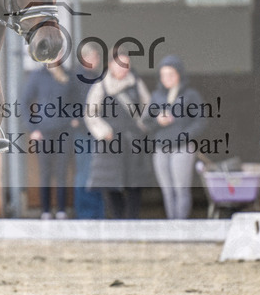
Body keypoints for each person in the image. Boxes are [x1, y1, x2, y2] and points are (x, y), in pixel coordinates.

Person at [83, 49, 152, 219]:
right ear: (111, 65)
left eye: (127, 64)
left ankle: (132, 220)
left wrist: (142, 126)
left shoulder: (136, 83)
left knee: (134, 184)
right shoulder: (101, 85)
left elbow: (148, 106)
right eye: (120, 64)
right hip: (110, 142)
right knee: (111, 183)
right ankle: (118, 220)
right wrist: (103, 131)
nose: (124, 68)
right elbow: (91, 113)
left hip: (133, 142)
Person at [144, 55, 206, 219]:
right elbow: (147, 122)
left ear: (179, 74)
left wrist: (184, 135)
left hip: (182, 147)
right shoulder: (156, 96)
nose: (167, 79)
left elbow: (201, 121)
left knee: (181, 188)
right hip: (161, 148)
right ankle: (172, 224)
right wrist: (159, 120)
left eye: (171, 74)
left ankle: (181, 223)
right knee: (167, 189)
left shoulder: (191, 95)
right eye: (164, 75)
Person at [22, 64, 74, 219]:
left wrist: (73, 119)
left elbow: (76, 99)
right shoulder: (37, 76)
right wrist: (33, 129)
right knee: (45, 172)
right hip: (44, 132)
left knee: (62, 172)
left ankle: (61, 210)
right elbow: (24, 102)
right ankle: (45, 210)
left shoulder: (68, 75)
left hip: (64, 131)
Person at [71, 44, 105, 219]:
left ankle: (98, 212)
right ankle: (84, 213)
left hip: (98, 133)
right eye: (94, 56)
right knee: (84, 173)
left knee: (97, 173)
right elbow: (67, 100)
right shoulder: (76, 77)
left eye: (97, 56)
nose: (97, 59)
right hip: (83, 133)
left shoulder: (99, 77)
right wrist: (74, 119)